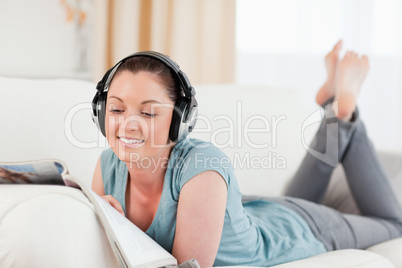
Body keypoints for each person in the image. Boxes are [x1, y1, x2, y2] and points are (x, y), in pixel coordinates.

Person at [91, 41, 402, 268]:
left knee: (394, 224)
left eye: (147, 113)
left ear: (179, 119)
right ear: (101, 111)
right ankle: (334, 105)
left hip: (300, 230)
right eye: (117, 108)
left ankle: (344, 116)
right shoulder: (107, 168)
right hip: (263, 211)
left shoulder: (202, 168)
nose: (128, 124)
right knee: (298, 197)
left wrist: (120, 231)